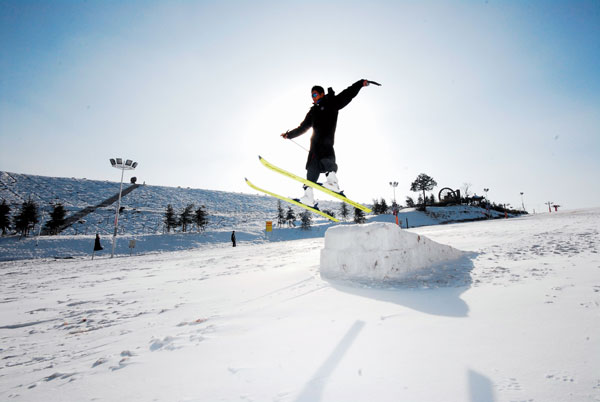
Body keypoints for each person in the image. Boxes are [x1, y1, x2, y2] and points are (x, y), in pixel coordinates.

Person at [281, 79, 372, 207]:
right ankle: (308, 196)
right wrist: (289, 135)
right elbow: (303, 127)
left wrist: (360, 84)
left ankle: (332, 181)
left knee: (326, 154)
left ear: (322, 94)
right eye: (311, 96)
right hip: (314, 145)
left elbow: (348, 94)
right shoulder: (312, 112)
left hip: (326, 140)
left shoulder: (331, 103)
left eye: (315, 94)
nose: (313, 98)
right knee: (312, 167)